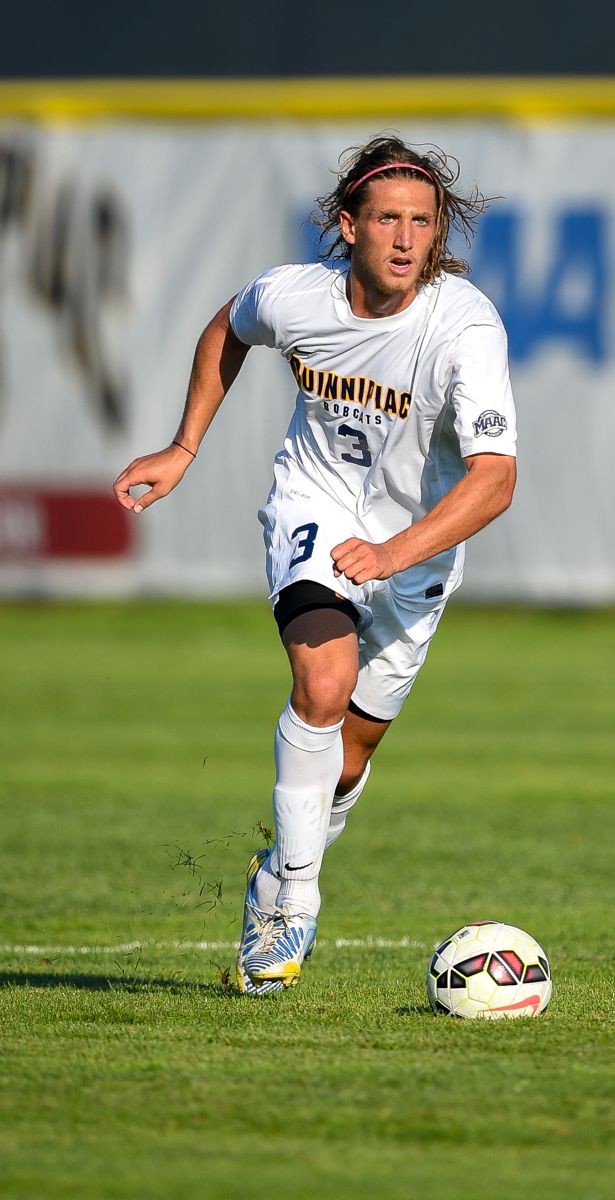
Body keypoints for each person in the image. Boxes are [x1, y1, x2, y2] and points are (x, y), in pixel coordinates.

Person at [113, 135, 517, 997]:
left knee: (347, 760)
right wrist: (185, 445)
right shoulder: (297, 298)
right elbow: (230, 324)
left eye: (422, 221)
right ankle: (293, 903)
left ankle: (274, 871)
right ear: (349, 226)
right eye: (387, 220)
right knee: (322, 685)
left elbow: (495, 481)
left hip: (415, 553)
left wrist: (395, 552)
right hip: (315, 508)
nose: (406, 239)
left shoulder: (465, 326)